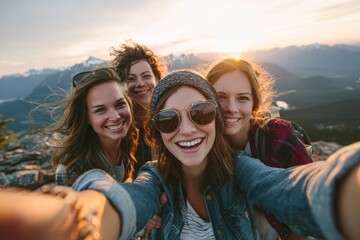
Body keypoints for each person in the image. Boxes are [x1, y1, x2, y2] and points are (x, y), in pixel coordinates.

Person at [3, 70, 359, 240]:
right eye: (169, 119)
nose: (186, 129)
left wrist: (348, 190)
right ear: (157, 130)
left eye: (201, 113)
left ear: (217, 122)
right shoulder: (154, 177)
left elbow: (294, 187)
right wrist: (74, 219)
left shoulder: (243, 169)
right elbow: (124, 200)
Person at [205, 57, 313, 239]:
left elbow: (308, 200)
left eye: (242, 98)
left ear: (254, 104)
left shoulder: (278, 137)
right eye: (220, 97)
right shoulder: (201, 143)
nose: (231, 108)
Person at [37, 67, 138, 186]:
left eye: (120, 104)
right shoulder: (72, 169)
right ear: (86, 118)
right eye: (100, 110)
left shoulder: (128, 140)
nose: (115, 116)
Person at [110, 40, 168, 177]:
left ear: (157, 79)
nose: (140, 84)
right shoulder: (118, 128)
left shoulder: (170, 119)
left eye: (146, 76)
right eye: (131, 79)